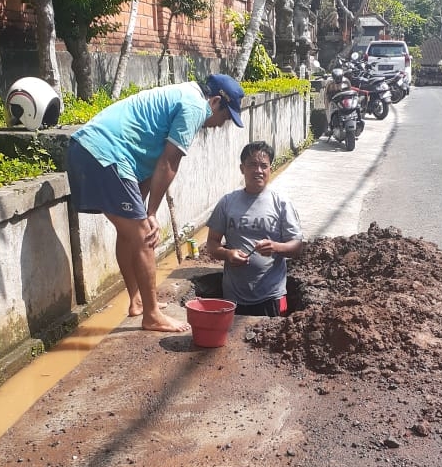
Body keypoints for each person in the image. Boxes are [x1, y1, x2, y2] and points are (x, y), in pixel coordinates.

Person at [66, 74, 244, 333]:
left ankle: (138, 301)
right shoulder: (195, 106)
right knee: (144, 234)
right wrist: (151, 213)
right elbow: (169, 162)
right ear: (215, 101)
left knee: (130, 233)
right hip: (105, 154)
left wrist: (144, 206)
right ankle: (152, 315)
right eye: (225, 117)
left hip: (87, 149)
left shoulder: (181, 95)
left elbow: (151, 168)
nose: (221, 124)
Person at [206, 141, 303, 316]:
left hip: (272, 296)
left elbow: (297, 246)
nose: (258, 170)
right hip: (233, 298)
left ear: (270, 169)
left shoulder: (281, 203)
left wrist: (275, 247)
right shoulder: (227, 202)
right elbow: (212, 243)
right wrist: (227, 254)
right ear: (242, 168)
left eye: (264, 166)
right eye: (252, 164)